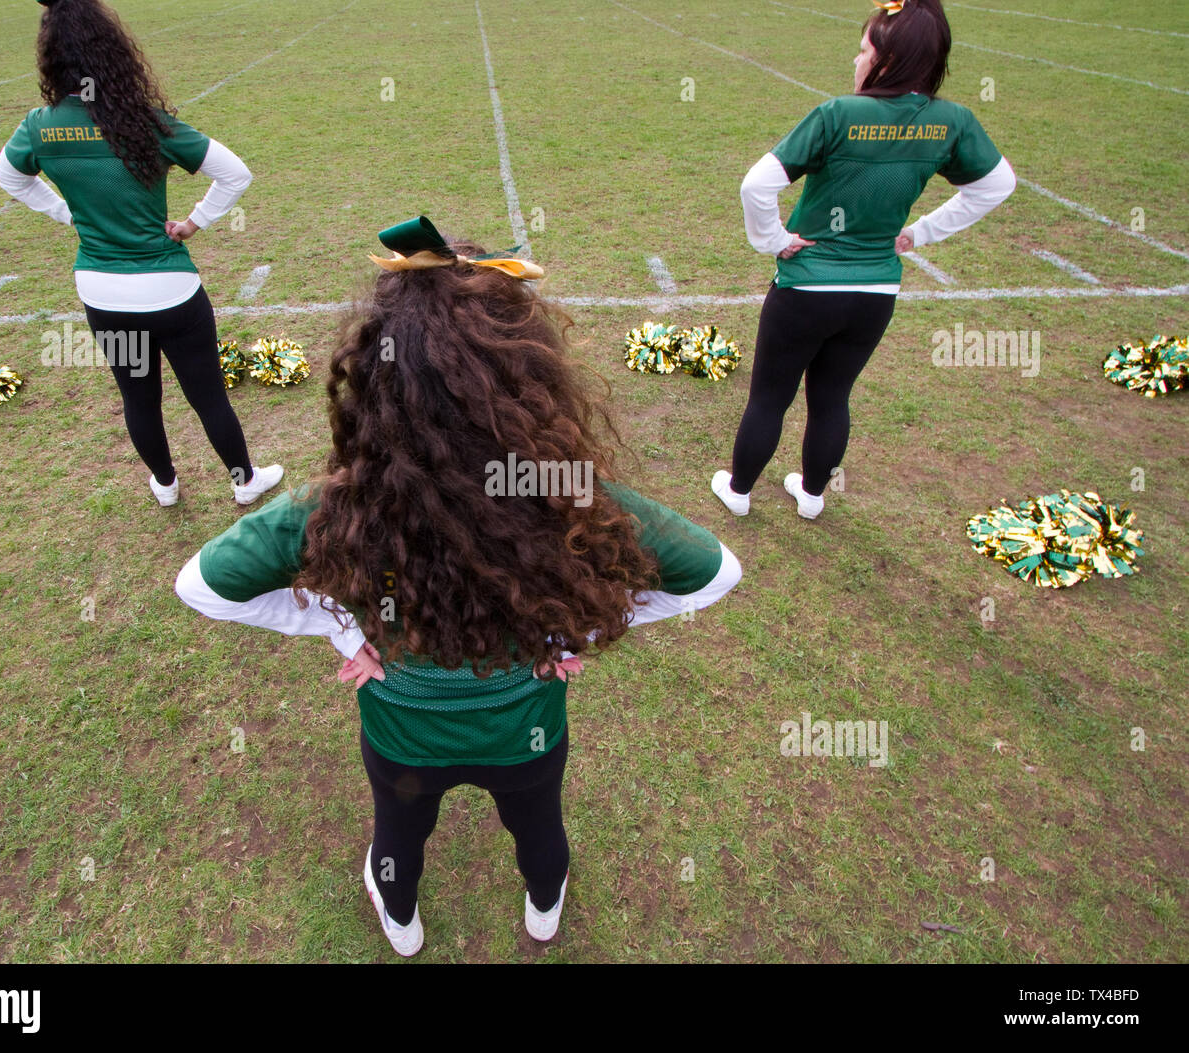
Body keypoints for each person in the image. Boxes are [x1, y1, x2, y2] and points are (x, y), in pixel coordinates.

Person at [176, 218, 742, 956]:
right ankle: (544, 906)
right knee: (539, 828)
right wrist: (584, 628)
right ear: (528, 377)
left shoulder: (335, 504)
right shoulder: (567, 490)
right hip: (525, 735)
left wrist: (337, 627)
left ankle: (402, 923)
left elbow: (202, 584)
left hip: (402, 738)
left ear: (375, 382)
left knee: (398, 836)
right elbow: (715, 570)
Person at [712, 0, 1015, 522]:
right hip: (875, 293)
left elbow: (757, 183)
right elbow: (997, 185)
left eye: (863, 51)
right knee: (832, 397)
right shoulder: (951, 121)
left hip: (806, 287)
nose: (856, 62)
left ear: (888, 59)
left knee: (770, 396)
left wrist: (772, 240)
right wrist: (919, 235)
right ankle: (811, 496)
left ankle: (739, 491)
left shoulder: (838, 114)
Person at [0, 0, 282, 508]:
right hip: (172, 289)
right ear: (115, 53)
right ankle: (243, 482)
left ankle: (166, 485)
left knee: (138, 396)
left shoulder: (40, 125)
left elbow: (8, 177)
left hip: (103, 291)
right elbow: (236, 172)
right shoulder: (147, 121)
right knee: (207, 394)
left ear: (50, 60)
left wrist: (67, 214)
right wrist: (193, 223)